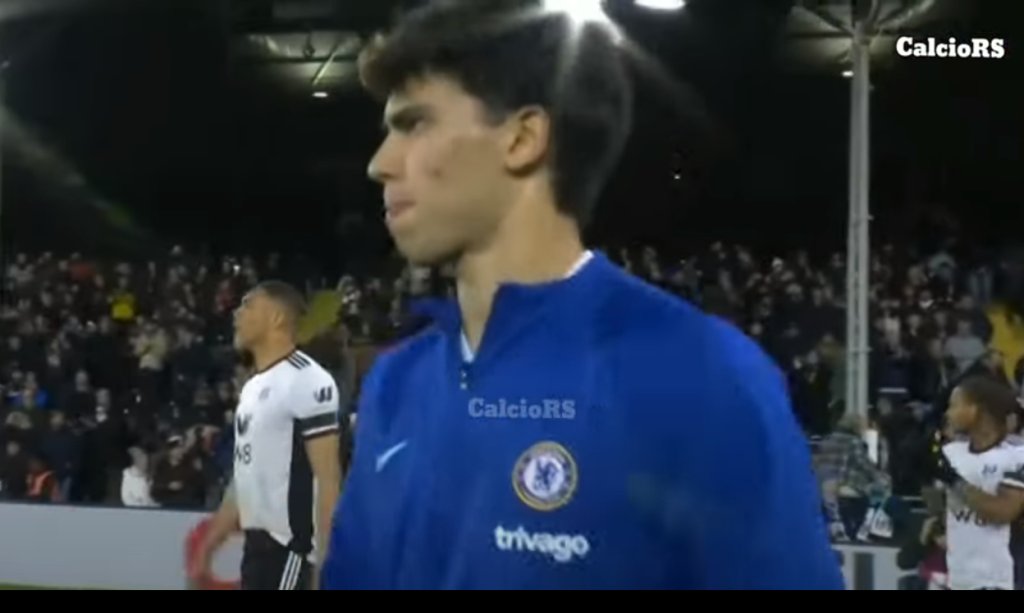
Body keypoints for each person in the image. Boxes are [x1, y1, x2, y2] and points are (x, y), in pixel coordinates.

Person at [321, 0, 841, 590]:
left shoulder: (698, 374)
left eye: (414, 124)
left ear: (522, 139)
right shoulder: (396, 385)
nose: (379, 164)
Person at [192, 281, 342, 590]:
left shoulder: (308, 379)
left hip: (292, 550)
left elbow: (327, 478)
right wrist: (210, 544)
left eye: (248, 305)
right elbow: (244, 477)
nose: (237, 313)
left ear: (276, 318)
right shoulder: (252, 388)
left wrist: (323, 562)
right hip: (257, 550)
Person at [931, 375, 1024, 590]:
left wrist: (953, 479)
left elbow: (1002, 512)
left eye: (955, 405)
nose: (949, 413)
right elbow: (938, 505)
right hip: (958, 580)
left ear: (978, 410)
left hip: (1000, 581)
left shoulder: (1016, 456)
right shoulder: (951, 452)